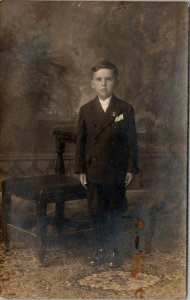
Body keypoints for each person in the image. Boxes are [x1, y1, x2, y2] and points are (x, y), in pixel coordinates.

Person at [75, 60, 138, 268]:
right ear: (92, 83)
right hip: (94, 170)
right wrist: (81, 169)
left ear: (116, 82)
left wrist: (130, 168)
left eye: (108, 79)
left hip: (116, 170)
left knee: (114, 211)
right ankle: (101, 249)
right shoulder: (86, 109)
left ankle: (115, 250)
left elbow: (132, 141)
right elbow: (81, 143)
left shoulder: (125, 109)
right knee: (97, 212)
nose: (104, 84)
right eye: (99, 80)